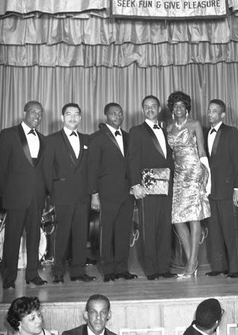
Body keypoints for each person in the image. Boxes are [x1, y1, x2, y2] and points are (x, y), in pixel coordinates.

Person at [0, 101, 48, 289]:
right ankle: (9, 278)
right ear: (24, 112)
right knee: (12, 238)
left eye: (40, 113)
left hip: (37, 197)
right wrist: (9, 192)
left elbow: (43, 171)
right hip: (16, 197)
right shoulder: (8, 134)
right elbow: (1, 168)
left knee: (34, 238)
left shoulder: (43, 138)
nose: (37, 116)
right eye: (33, 112)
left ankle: (32, 274)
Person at [43, 103, 95, 283]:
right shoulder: (51, 140)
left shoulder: (87, 139)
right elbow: (47, 170)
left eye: (76, 115)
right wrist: (52, 193)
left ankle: (78, 272)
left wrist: (92, 192)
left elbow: (90, 168)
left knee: (81, 235)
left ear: (80, 118)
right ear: (62, 117)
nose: (73, 118)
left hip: (82, 196)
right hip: (62, 195)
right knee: (62, 235)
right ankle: (58, 272)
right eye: (68, 114)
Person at [128, 95, 176, 280]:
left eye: (153, 106)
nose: (150, 109)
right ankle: (151, 269)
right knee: (149, 227)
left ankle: (164, 268)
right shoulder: (136, 130)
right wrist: (135, 184)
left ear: (158, 109)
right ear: (142, 110)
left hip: (166, 184)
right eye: (146, 106)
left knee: (164, 227)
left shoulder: (166, 131)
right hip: (147, 184)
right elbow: (132, 159)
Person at [88, 102, 136, 282]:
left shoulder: (128, 136)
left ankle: (122, 268)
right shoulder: (97, 137)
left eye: (120, 113)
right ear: (106, 116)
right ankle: (108, 270)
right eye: (113, 114)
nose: (118, 116)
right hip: (106, 193)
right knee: (106, 232)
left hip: (126, 193)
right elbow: (92, 168)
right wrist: (94, 194)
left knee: (124, 232)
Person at [166, 91, 210, 278]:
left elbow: (202, 150)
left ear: (187, 108)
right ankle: (191, 259)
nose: (178, 109)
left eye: (182, 106)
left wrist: (207, 175)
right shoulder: (168, 128)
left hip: (193, 172)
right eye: (175, 106)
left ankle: (191, 263)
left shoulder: (194, 124)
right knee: (177, 219)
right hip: (178, 174)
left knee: (194, 217)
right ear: (171, 109)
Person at [204, 99, 238, 278]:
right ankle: (218, 267)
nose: (210, 114)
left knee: (231, 230)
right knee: (215, 231)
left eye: (215, 111)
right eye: (209, 110)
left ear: (222, 114)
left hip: (228, 190)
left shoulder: (231, 132)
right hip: (211, 191)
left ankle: (235, 268)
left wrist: (237, 188)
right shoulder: (204, 133)